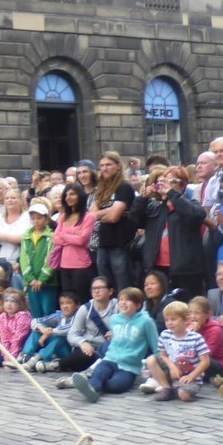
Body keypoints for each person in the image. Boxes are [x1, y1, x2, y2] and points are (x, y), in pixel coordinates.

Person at [69, 288, 158, 403]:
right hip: (110, 359)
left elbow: (156, 346)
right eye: (121, 299)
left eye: (127, 300)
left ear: (138, 305)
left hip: (129, 366)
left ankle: (91, 385)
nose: (123, 303)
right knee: (99, 374)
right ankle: (92, 389)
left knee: (116, 386)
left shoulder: (146, 321)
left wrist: (159, 370)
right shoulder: (115, 319)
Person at [142, 300, 210, 402]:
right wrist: (172, 367)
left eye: (173, 319)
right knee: (151, 360)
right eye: (167, 320)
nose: (169, 323)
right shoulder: (165, 335)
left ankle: (179, 389)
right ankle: (167, 388)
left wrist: (191, 376)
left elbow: (205, 361)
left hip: (190, 376)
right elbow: (163, 355)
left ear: (186, 320)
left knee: (184, 396)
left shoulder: (196, 338)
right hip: (173, 372)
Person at [90, 152, 137, 295]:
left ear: (118, 166)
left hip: (120, 243)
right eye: (102, 165)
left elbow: (114, 217)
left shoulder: (124, 187)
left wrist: (102, 213)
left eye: (108, 165)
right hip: (103, 243)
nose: (105, 168)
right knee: (105, 286)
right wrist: (110, 210)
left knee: (123, 286)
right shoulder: (101, 189)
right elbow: (90, 215)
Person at [52, 185, 96, 306]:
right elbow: (55, 239)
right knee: (68, 301)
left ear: (79, 196)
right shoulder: (63, 217)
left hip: (81, 265)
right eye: (66, 195)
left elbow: (82, 240)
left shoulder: (89, 216)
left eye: (72, 194)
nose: (68, 197)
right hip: (64, 265)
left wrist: (64, 234)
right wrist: (73, 234)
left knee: (82, 300)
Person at [20, 291, 79, 371]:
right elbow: (36, 321)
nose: (65, 306)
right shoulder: (60, 315)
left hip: (70, 351)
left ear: (76, 305)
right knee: (37, 329)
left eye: (68, 303)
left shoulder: (79, 315)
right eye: (62, 303)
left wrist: (49, 332)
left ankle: (37, 359)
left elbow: (69, 328)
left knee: (60, 338)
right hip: (56, 350)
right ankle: (25, 356)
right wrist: (43, 329)